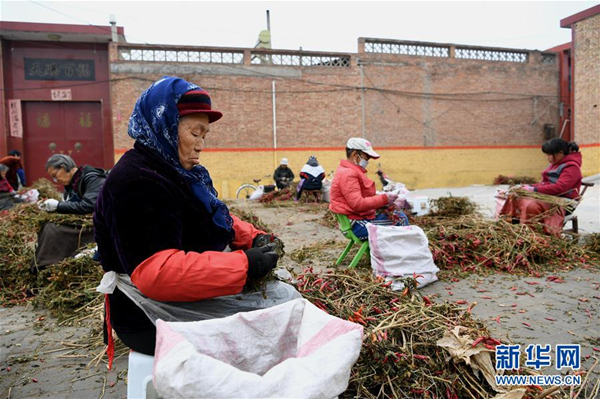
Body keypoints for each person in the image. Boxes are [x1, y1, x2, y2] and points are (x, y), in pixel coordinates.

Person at [94, 76, 285, 356]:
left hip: (182, 299)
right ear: (165, 126)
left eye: (204, 136)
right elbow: (157, 273)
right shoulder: (137, 181)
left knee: (285, 303)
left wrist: (251, 237)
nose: (200, 145)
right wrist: (244, 266)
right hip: (149, 316)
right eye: (195, 134)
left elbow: (204, 214)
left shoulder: (171, 170)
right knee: (281, 316)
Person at [329, 138, 409, 240]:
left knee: (395, 215)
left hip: (354, 221)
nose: (367, 161)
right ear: (354, 155)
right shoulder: (349, 174)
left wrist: (384, 202)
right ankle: (398, 253)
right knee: (401, 219)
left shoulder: (348, 171)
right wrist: (385, 199)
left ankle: (389, 251)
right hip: (357, 225)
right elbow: (358, 204)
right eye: (366, 157)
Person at [500, 138, 582, 236]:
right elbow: (544, 184)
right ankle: (511, 226)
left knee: (532, 206)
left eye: (550, 155)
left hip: (563, 202)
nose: (548, 158)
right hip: (550, 197)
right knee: (514, 196)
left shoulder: (572, 167)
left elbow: (560, 188)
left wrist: (534, 190)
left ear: (560, 153)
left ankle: (529, 233)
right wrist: (527, 187)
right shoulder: (555, 164)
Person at [38, 154, 107, 214]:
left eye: (55, 175)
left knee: (50, 227)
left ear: (64, 167)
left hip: (103, 224)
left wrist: (58, 206)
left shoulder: (92, 179)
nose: (56, 180)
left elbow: (90, 206)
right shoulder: (70, 186)